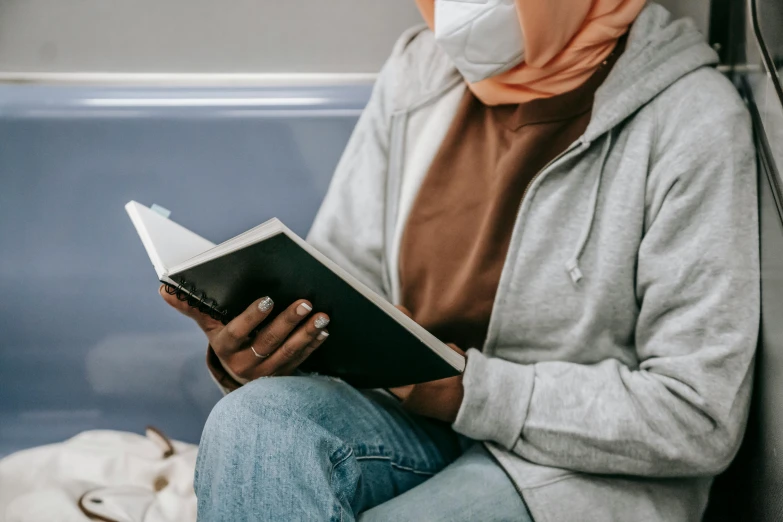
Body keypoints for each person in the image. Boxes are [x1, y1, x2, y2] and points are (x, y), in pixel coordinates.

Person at [161, 1, 760, 520]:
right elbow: (341, 282)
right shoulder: (419, 72)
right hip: (408, 422)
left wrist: (469, 389)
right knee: (252, 423)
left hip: (581, 474)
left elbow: (698, 417)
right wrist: (267, 353)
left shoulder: (692, 121)